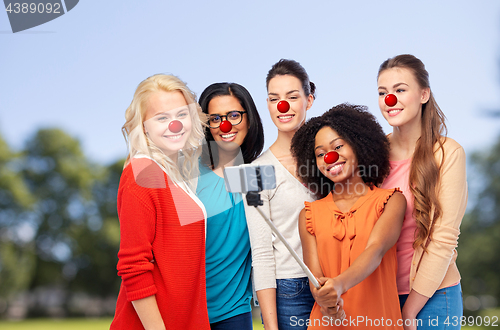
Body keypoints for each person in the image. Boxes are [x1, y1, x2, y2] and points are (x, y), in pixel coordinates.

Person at [291, 103, 406, 329]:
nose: (330, 157)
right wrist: (326, 300)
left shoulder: (391, 201)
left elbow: (375, 250)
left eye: (338, 146)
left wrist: (340, 285)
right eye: (320, 154)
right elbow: (316, 282)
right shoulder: (308, 215)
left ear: (359, 145)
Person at [110, 74, 210, 330]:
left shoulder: (172, 176)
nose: (174, 125)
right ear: (143, 125)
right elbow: (134, 267)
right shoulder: (141, 174)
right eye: (162, 118)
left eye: (181, 115)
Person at [377, 54, 467, 330]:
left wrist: (410, 309)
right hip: (381, 295)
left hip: (434, 297)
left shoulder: (447, 153)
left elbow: (444, 238)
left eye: (400, 90)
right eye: (383, 92)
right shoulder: (373, 154)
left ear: (423, 94)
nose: (390, 99)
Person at [243, 59, 316, 330]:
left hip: (337, 284)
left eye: (292, 97)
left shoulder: (330, 160)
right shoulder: (255, 172)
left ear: (309, 100)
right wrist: (271, 326)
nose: (282, 106)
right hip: (290, 292)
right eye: (275, 99)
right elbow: (260, 253)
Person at [196, 82, 264, 329]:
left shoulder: (257, 175)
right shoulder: (190, 174)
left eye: (234, 115)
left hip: (234, 312)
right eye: (215, 118)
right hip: (188, 310)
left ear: (249, 118)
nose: (225, 125)